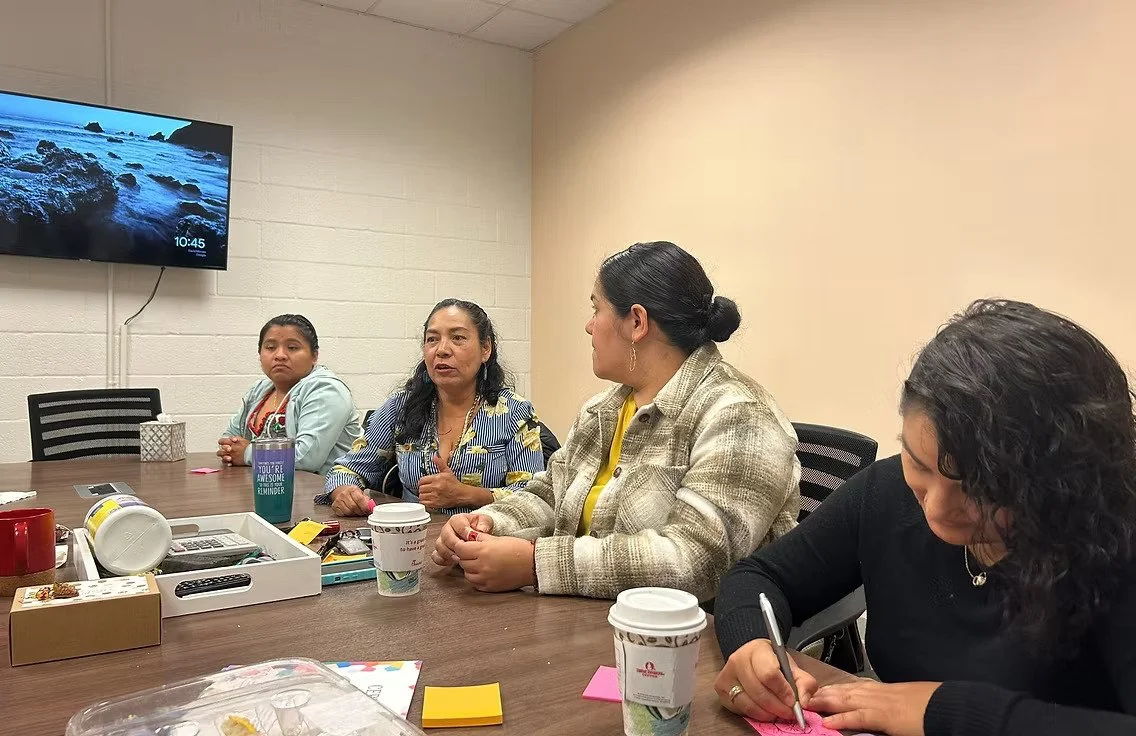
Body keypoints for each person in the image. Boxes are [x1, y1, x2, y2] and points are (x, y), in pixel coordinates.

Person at [713, 299, 1136, 736]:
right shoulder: (886, 493)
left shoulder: (1115, 547)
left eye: (983, 489)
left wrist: (942, 710)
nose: (935, 507)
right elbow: (760, 577)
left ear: (1061, 482)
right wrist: (753, 647)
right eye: (919, 464)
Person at [432, 241, 801, 601]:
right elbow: (549, 495)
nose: (589, 327)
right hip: (594, 622)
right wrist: (487, 523)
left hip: (700, 647)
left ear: (637, 322)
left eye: (597, 309)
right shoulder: (602, 410)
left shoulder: (741, 416)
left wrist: (534, 563)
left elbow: (696, 562)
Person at [320, 299, 545, 516]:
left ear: (485, 349)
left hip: (484, 543)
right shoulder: (400, 406)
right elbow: (347, 469)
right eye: (432, 339)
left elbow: (532, 497)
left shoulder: (514, 411)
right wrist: (344, 492)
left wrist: (467, 495)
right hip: (414, 540)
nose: (442, 350)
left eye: (458, 338)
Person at [218, 314, 361, 476]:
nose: (280, 355)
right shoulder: (260, 389)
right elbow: (229, 439)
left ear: (314, 355)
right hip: (265, 487)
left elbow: (306, 458)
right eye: (270, 348)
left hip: (327, 493)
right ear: (260, 354)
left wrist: (247, 454)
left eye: (292, 348)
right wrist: (231, 449)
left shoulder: (326, 390)